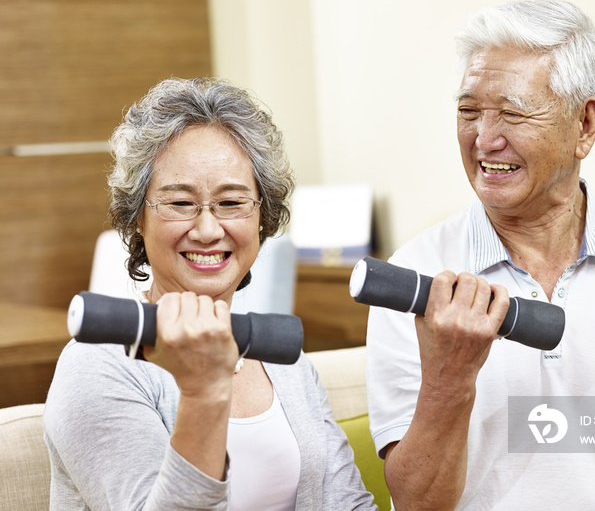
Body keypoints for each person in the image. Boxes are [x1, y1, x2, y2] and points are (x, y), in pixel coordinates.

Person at [365, 0, 595, 510]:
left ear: (584, 125)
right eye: (468, 111)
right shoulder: (414, 277)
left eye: (513, 113)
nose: (483, 139)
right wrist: (448, 378)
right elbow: (416, 503)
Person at [43, 77, 377, 510]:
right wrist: (204, 393)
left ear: (262, 218)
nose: (206, 229)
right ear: (137, 219)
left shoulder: (286, 363)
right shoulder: (96, 364)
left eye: (232, 202)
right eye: (180, 203)